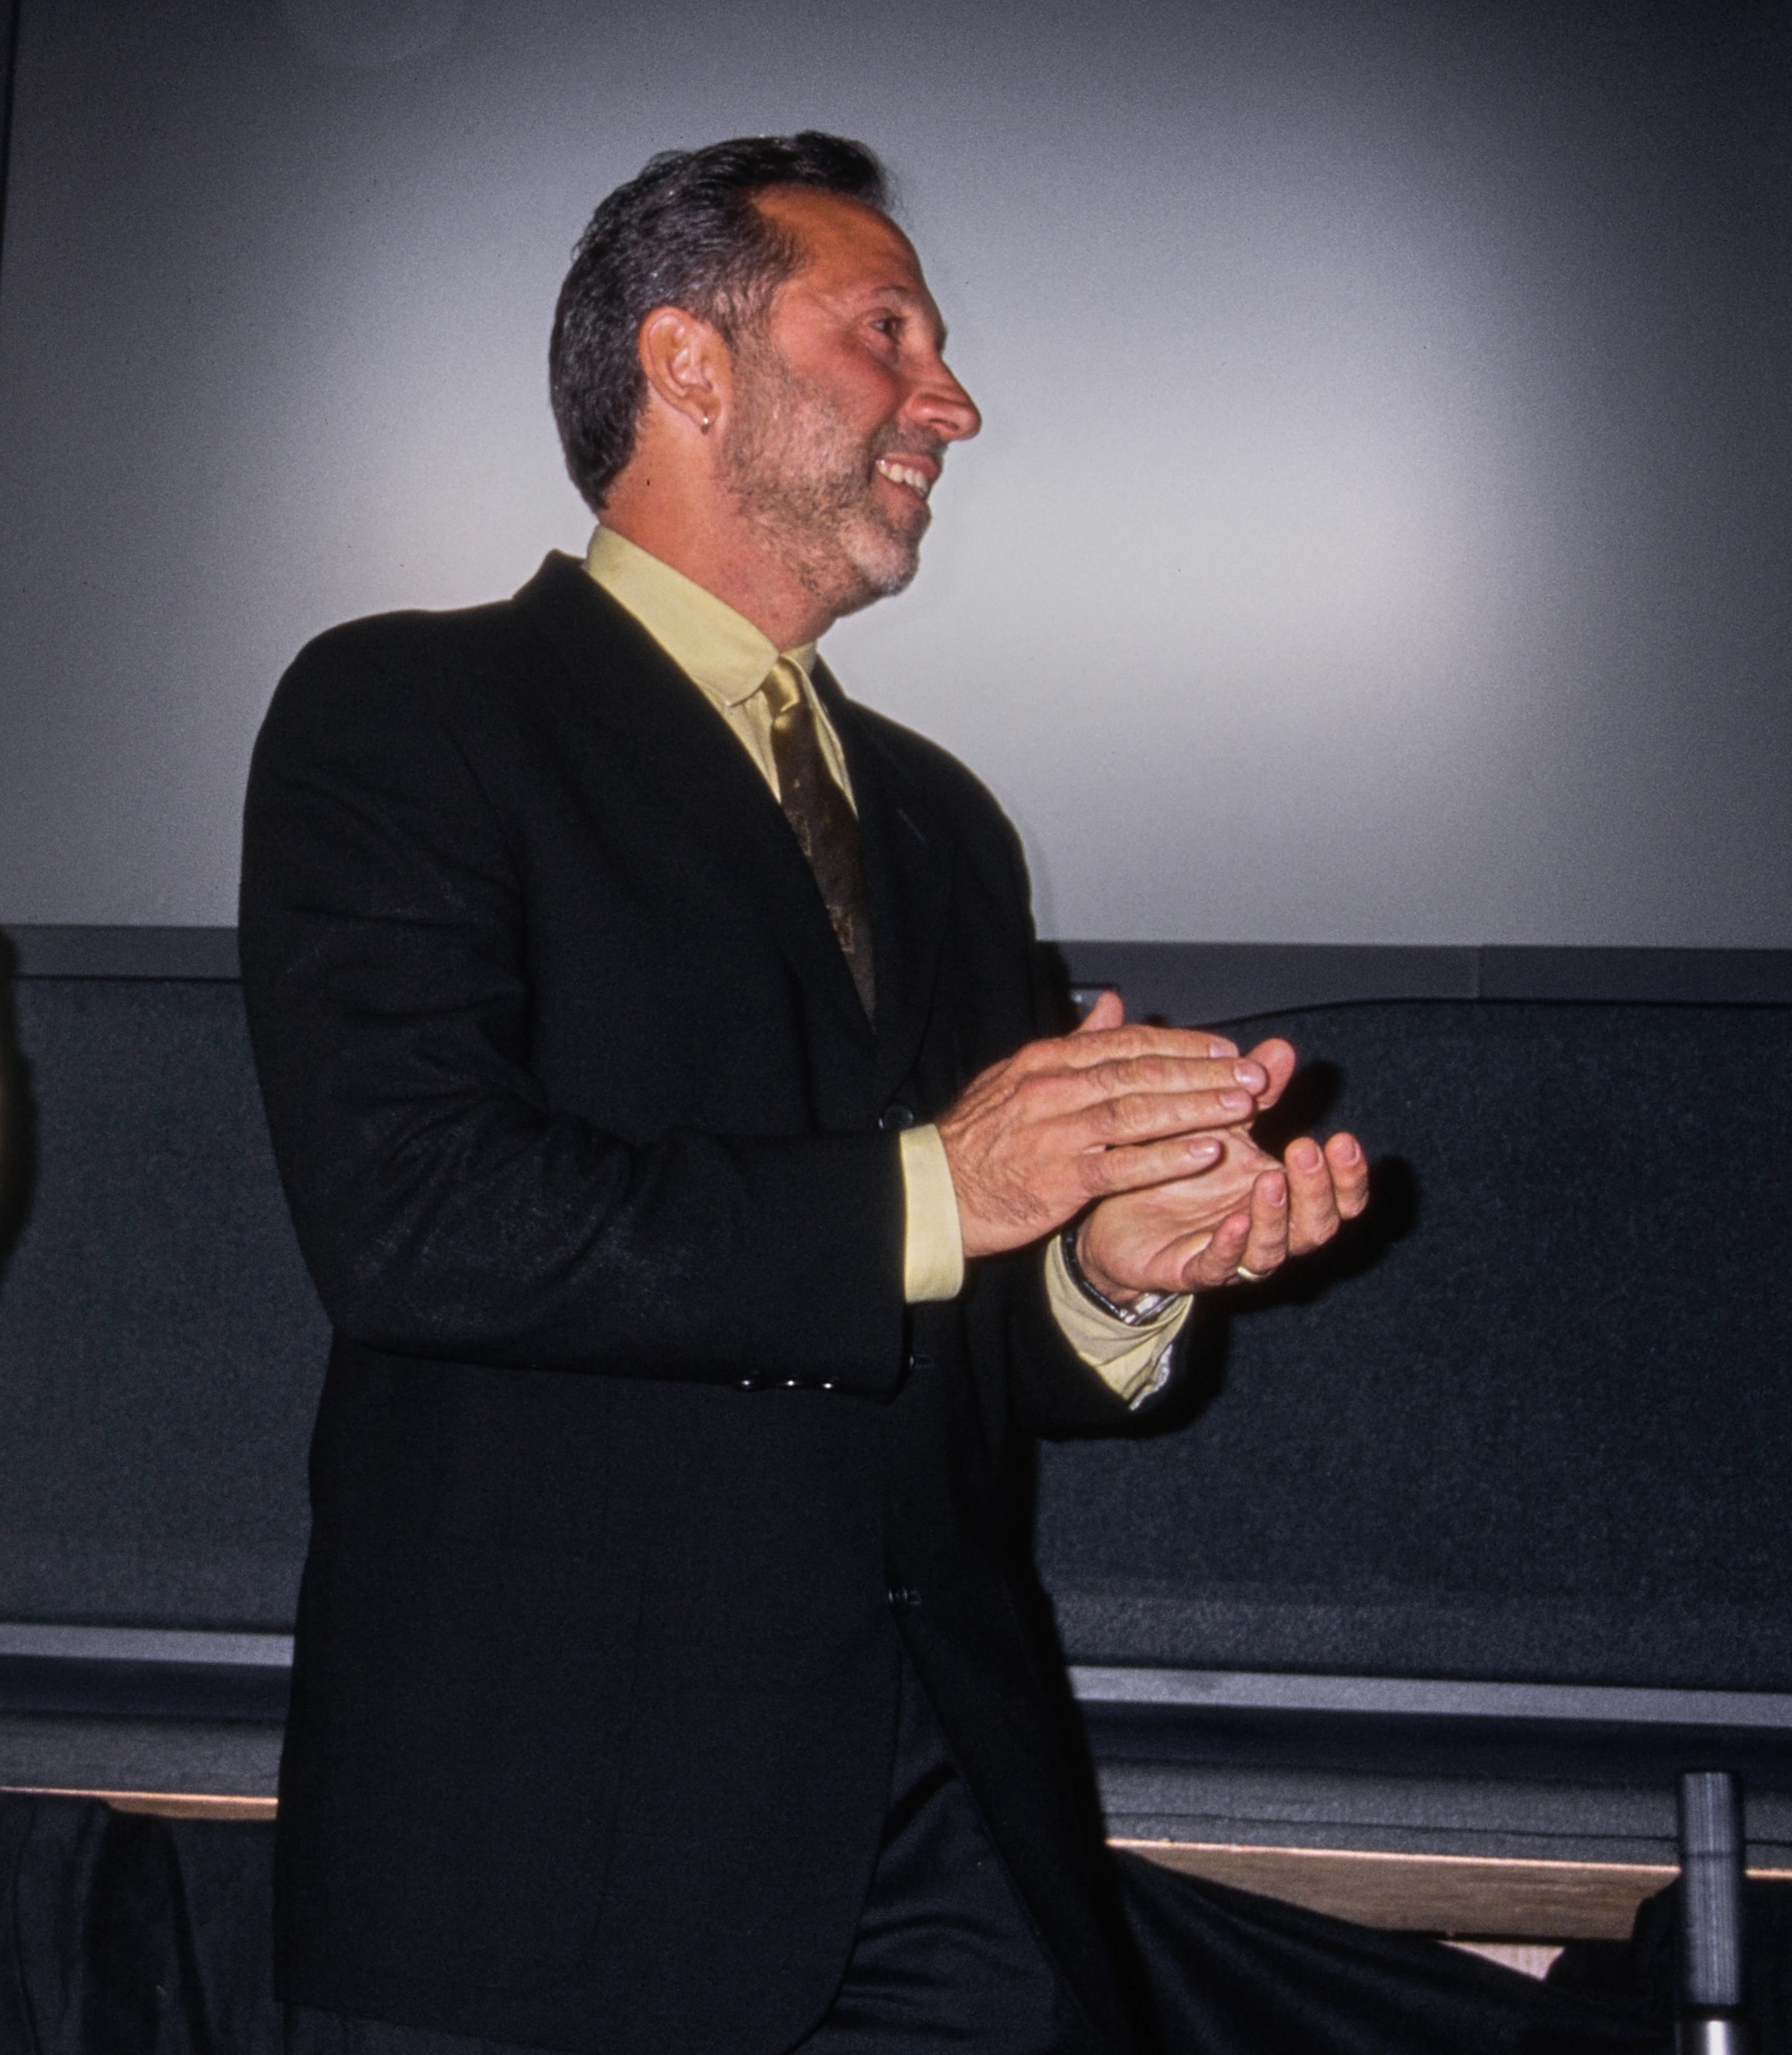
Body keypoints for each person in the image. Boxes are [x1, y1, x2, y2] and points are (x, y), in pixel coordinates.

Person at [238, 136, 1373, 2055]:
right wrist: (948, 1185)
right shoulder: (409, 710)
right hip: (551, 1851)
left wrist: (1108, 1265)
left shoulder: (939, 817)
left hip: (951, 1835)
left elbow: (949, 1326)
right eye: (886, 334)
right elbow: (418, 1217)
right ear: (687, 363)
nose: (952, 400)